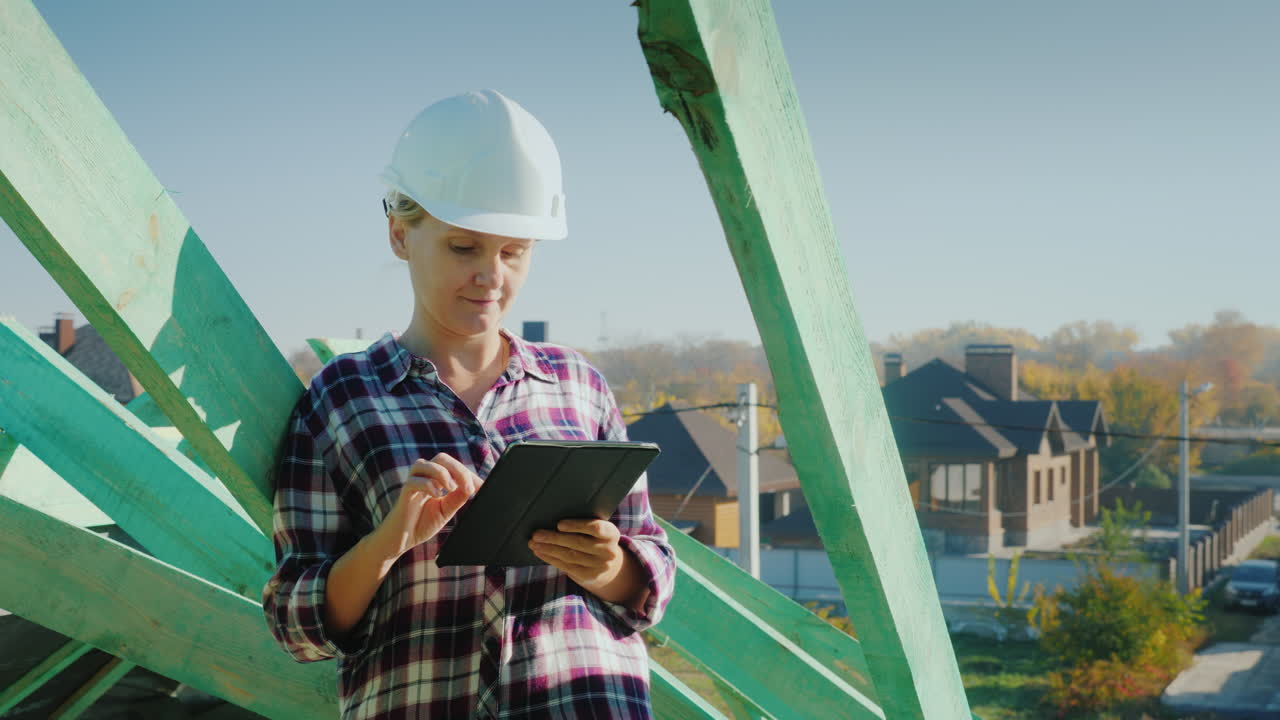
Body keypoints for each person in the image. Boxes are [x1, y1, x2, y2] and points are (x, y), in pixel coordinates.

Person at [261, 89, 676, 719]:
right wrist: (387, 543)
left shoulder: (578, 385)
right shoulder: (342, 400)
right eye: (464, 248)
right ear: (401, 234)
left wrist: (608, 564)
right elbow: (298, 622)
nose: (492, 276)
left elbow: (651, 571)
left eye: (514, 252)